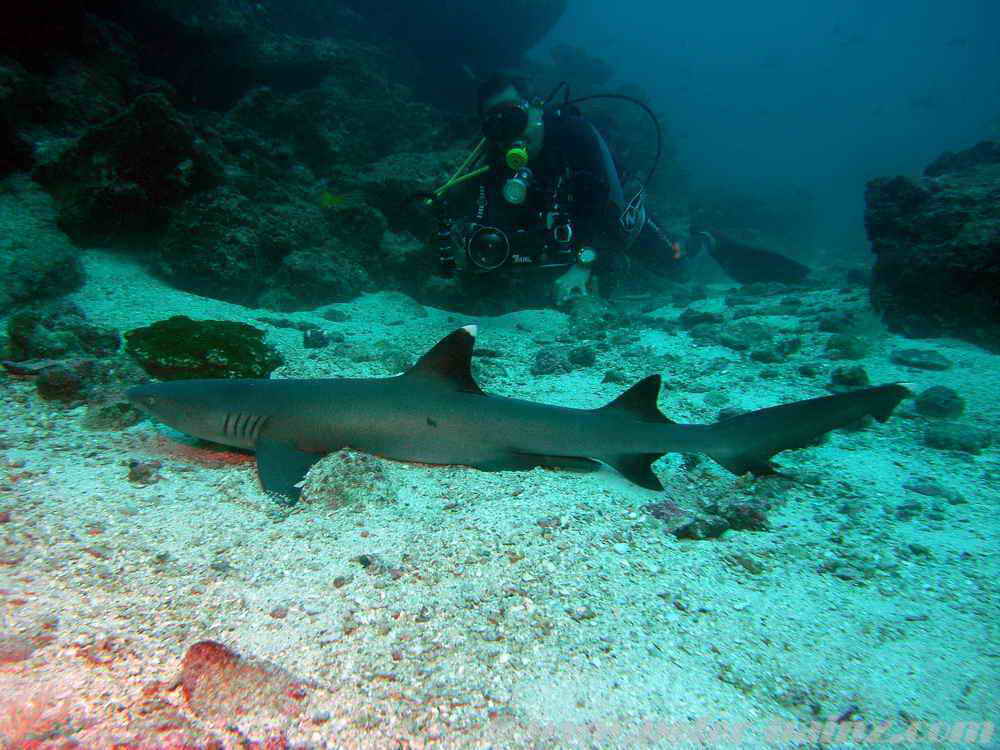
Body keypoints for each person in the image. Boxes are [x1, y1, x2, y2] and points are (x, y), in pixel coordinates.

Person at [439, 74, 646, 306]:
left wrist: (583, 266)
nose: (510, 133)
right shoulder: (493, 159)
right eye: (496, 125)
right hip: (558, 243)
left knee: (665, 260)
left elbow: (612, 212)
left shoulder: (575, 135)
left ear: (536, 108)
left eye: (514, 117)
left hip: (613, 225)